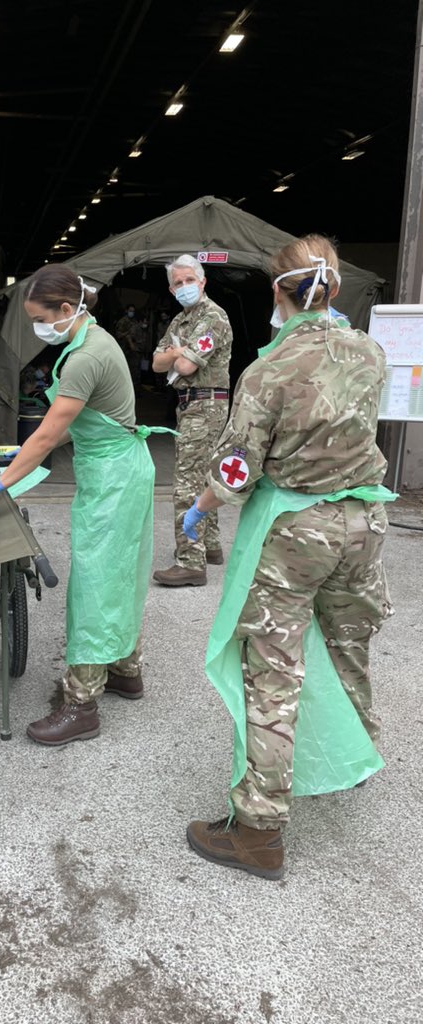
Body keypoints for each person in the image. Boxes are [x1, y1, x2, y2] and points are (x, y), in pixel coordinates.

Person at [183, 235, 394, 879]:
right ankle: (352, 756)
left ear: (281, 293)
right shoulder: (370, 351)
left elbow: (239, 467)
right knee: (347, 642)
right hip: (365, 519)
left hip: (298, 530)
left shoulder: (268, 371)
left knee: (274, 667)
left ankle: (258, 830)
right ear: (331, 290)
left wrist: (205, 502)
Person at [0, 266, 158, 746]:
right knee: (121, 572)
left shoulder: (86, 357)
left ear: (67, 310)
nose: (40, 329)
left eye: (42, 319)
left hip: (115, 476)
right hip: (122, 467)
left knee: (96, 581)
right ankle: (125, 669)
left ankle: (81, 703)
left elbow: (46, 436)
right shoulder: (92, 342)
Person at [152, 255, 232, 586]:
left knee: (186, 483)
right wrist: (175, 353)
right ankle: (209, 547)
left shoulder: (213, 317)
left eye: (190, 280)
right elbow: (158, 363)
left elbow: (186, 368)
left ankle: (190, 561)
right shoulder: (181, 321)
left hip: (205, 405)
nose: (185, 286)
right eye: (178, 282)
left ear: (202, 281)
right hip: (190, 405)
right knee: (203, 477)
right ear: (171, 289)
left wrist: (176, 356)